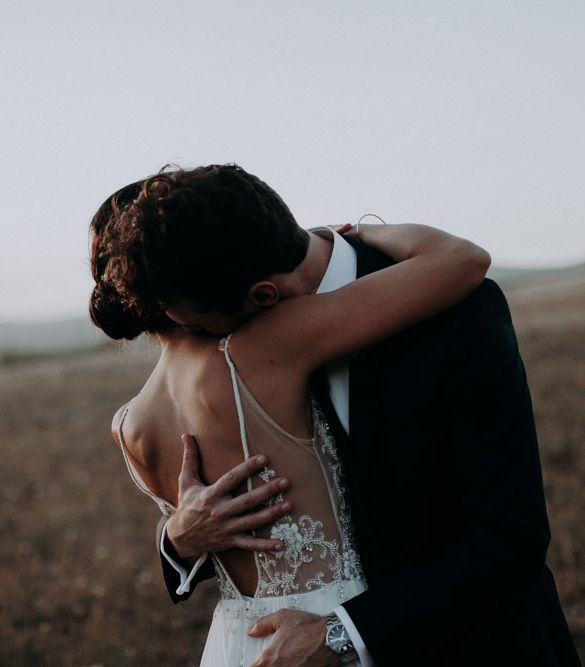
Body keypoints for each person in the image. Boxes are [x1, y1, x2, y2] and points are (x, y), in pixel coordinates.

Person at [90, 165, 580, 667]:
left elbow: (512, 535)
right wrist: (179, 540)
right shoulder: (251, 347)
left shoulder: (454, 312)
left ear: (262, 295)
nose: (204, 336)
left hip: (477, 647)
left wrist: (343, 633)